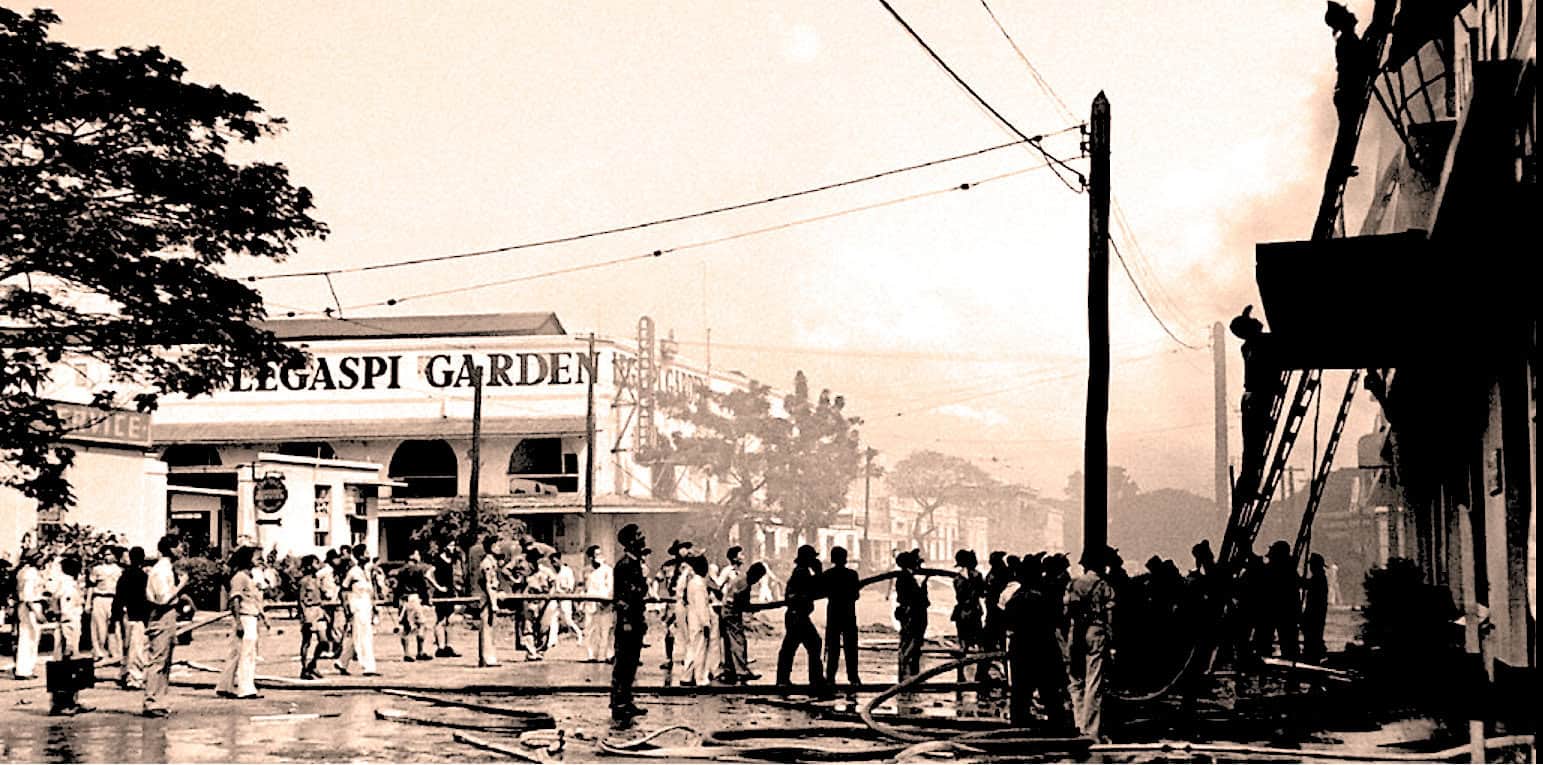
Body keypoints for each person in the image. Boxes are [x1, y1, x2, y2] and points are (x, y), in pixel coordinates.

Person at [1004, 555, 1073, 731]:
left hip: (1021, 648)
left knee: (1021, 693)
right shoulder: (1045, 597)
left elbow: (1007, 622)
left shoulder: (1016, 598)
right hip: (1043, 648)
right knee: (1050, 691)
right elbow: (1057, 619)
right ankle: (1057, 729)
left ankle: (1019, 727)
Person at [1230, 306, 1284, 507]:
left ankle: (1247, 488)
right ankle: (1247, 489)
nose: (1258, 321)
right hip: (1257, 400)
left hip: (1252, 400)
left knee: (1253, 447)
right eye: (1252, 321)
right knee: (1254, 447)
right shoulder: (1261, 343)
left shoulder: (1250, 346)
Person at [1066, 546, 1117, 742]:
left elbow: (1066, 612)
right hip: (1096, 631)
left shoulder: (1074, 584)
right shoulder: (1103, 586)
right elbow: (1109, 616)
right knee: (1093, 681)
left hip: (1075, 632)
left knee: (1076, 681)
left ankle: (1079, 724)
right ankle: (1091, 731)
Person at [143, 533, 187, 718]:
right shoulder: (161, 570)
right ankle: (152, 701)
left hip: (168, 616)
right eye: (179, 546)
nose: (182, 550)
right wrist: (181, 586)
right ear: (171, 548)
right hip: (161, 615)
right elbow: (163, 599)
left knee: (166, 660)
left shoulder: (167, 569)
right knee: (158, 660)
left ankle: (160, 699)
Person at [776, 545, 829, 695]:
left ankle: (783, 679)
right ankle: (815, 680)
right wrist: (819, 573)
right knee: (813, 643)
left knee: (790, 647)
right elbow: (816, 588)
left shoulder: (801, 572)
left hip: (796, 615)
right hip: (797, 615)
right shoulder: (802, 573)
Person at [611, 523, 650, 722]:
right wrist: (626, 622)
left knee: (632, 663)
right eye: (639, 535)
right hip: (627, 623)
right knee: (623, 663)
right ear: (631, 541)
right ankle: (618, 704)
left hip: (636, 620)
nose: (643, 539)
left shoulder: (635, 563)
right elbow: (621, 598)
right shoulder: (624, 565)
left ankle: (627, 700)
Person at [216, 546, 264, 699]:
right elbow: (235, 599)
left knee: (236, 654)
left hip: (251, 616)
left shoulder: (248, 577)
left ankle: (225, 686)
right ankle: (246, 688)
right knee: (247, 654)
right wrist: (238, 622)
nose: (259, 560)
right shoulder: (240, 578)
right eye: (256, 557)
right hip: (245, 617)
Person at [49, 555, 90, 715]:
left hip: (73, 625)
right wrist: (69, 642)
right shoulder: (67, 586)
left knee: (74, 666)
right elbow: (65, 612)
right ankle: (61, 704)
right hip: (68, 627)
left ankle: (73, 701)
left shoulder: (69, 584)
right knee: (64, 667)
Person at [334, 545, 378, 676]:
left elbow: (371, 592)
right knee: (364, 636)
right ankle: (368, 666)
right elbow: (343, 589)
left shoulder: (367, 572)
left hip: (367, 606)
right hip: (357, 607)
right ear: (360, 556)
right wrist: (347, 606)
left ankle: (342, 662)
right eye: (366, 553)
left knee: (356, 636)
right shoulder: (353, 572)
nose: (368, 555)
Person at [820, 545, 861, 687]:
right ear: (845, 559)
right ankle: (853, 677)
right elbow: (856, 595)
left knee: (832, 647)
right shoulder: (852, 575)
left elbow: (821, 591)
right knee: (851, 648)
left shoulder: (828, 574)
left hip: (833, 613)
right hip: (849, 613)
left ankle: (830, 677)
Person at [719, 562, 765, 685]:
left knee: (731, 642)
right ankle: (741, 671)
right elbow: (741, 604)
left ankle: (731, 670)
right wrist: (753, 608)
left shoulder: (742, 579)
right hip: (731, 613)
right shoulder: (743, 584)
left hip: (730, 612)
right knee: (738, 642)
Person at [114, 546, 150, 689]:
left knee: (126, 646)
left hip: (125, 614)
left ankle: (123, 673)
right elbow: (146, 599)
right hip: (139, 615)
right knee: (137, 648)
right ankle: (134, 678)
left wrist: (115, 616)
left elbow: (118, 597)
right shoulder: (143, 577)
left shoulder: (124, 575)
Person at [952, 549, 987, 683]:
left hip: (961, 612)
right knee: (980, 643)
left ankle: (960, 673)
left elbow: (959, 595)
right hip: (973, 611)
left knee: (963, 643)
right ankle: (980, 673)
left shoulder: (957, 577)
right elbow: (983, 593)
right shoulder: (977, 575)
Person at [894, 549, 929, 684]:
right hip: (912, 613)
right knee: (912, 639)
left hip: (912, 612)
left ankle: (909, 669)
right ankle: (906, 669)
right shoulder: (906, 578)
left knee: (912, 640)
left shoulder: (906, 576)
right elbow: (912, 597)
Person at [395, 547, 435, 662]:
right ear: (412, 555)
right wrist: (427, 600)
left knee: (406, 627)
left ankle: (407, 652)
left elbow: (397, 588)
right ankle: (420, 651)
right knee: (421, 624)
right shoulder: (417, 570)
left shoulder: (401, 570)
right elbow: (422, 587)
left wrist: (396, 602)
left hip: (403, 600)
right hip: (414, 598)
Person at [660, 540, 692, 671]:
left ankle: (688, 657)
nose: (684, 551)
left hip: (687, 601)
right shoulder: (668, 566)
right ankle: (669, 658)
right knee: (670, 631)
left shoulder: (691, 566)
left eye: (686, 548)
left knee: (689, 630)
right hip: (672, 601)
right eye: (681, 548)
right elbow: (657, 579)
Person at [680, 555, 712, 687]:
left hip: (692, 618)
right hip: (698, 620)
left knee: (692, 648)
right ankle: (700, 678)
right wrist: (706, 623)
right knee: (699, 650)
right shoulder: (699, 584)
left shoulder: (693, 582)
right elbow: (701, 606)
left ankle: (687, 676)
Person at [87, 546, 123, 662]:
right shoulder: (97, 569)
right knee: (98, 627)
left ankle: (115, 653)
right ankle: (98, 652)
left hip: (113, 599)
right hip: (99, 598)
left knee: (114, 626)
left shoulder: (119, 570)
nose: (108, 557)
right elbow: (91, 586)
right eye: (106, 554)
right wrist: (88, 603)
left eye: (110, 554)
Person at [12, 551, 44, 680]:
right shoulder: (30, 573)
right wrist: (37, 613)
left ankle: (26, 668)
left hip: (25, 606)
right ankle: (24, 670)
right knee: (29, 637)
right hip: (30, 606)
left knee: (28, 637)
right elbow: (27, 596)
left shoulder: (23, 571)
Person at [713, 546, 743, 679]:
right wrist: (723, 599)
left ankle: (731, 667)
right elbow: (718, 585)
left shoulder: (739, 571)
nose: (743, 557)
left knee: (730, 638)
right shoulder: (727, 571)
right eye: (741, 555)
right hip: (726, 606)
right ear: (735, 557)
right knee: (729, 637)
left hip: (735, 607)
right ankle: (731, 667)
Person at [545, 552, 584, 650]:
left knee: (567, 620)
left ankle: (579, 634)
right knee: (553, 619)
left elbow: (570, 587)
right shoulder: (552, 572)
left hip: (565, 598)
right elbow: (552, 586)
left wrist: (563, 594)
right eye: (552, 562)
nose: (554, 564)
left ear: (559, 560)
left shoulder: (567, 571)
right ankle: (552, 641)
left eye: (555, 561)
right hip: (555, 598)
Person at [582, 545, 614, 662]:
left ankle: (608, 654)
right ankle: (591, 655)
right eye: (596, 555)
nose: (599, 557)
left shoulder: (607, 570)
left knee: (606, 630)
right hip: (590, 603)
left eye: (600, 554)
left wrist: (607, 599)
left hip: (604, 603)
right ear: (590, 557)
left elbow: (610, 586)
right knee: (590, 630)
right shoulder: (586, 571)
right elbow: (585, 587)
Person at [430, 542, 461, 658]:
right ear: (445, 546)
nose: (453, 548)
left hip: (450, 593)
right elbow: (428, 574)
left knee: (451, 619)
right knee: (440, 620)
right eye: (450, 546)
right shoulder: (438, 560)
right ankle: (440, 647)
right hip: (441, 593)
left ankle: (449, 646)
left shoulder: (452, 560)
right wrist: (438, 587)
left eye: (454, 546)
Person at [475, 536, 502, 667]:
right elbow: (488, 584)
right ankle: (487, 659)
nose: (499, 547)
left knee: (490, 628)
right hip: (487, 598)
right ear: (491, 547)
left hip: (490, 596)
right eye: (497, 545)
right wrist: (494, 603)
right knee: (486, 627)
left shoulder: (492, 562)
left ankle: (489, 657)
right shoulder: (487, 563)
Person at [297, 555, 325, 679]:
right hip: (308, 610)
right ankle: (304, 668)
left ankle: (313, 664)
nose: (318, 564)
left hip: (318, 609)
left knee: (324, 641)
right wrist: (305, 616)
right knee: (306, 641)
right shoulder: (304, 581)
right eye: (315, 562)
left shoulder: (317, 580)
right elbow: (301, 600)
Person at [1302, 553, 1330, 664]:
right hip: (1316, 613)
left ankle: (1314, 657)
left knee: (1313, 636)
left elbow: (1306, 585)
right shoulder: (1319, 577)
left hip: (1315, 614)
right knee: (1313, 636)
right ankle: (1314, 655)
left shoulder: (1319, 578)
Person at [316, 551, 341, 659]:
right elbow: (315, 579)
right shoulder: (325, 571)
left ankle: (336, 649)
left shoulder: (338, 571)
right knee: (328, 626)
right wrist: (322, 590)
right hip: (327, 601)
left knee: (336, 626)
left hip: (336, 601)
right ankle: (329, 649)